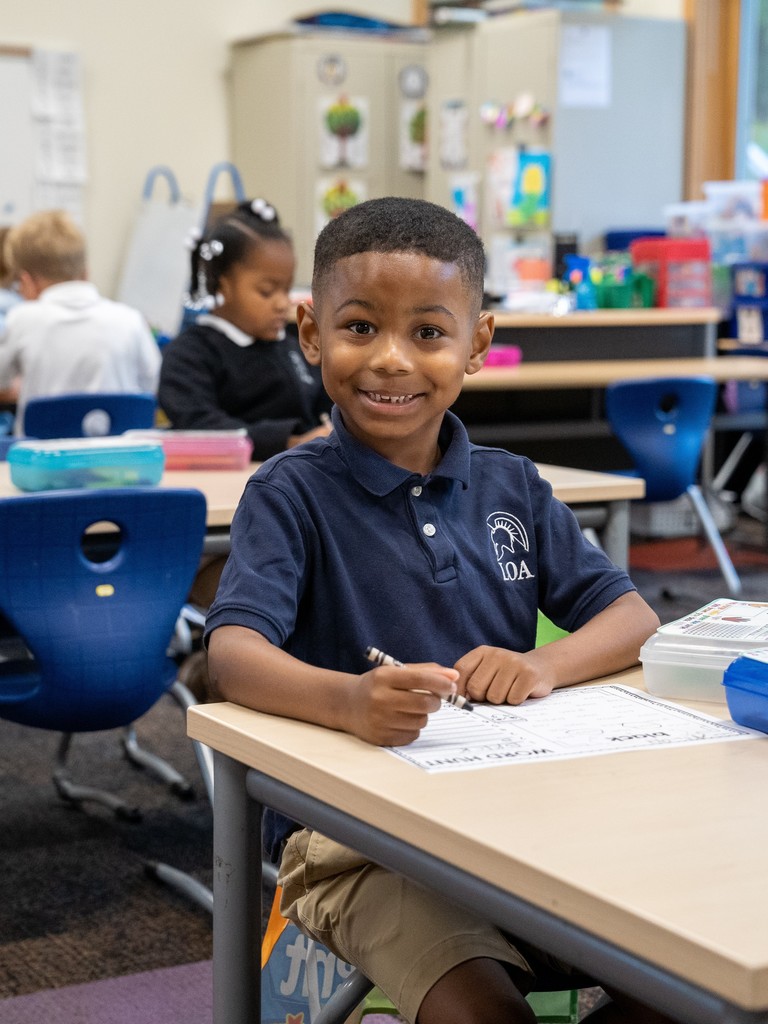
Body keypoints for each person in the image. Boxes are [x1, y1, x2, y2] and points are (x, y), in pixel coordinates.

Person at [205, 197, 669, 1024]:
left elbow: (632, 618)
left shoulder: (512, 487)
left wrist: (541, 664)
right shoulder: (289, 495)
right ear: (311, 335)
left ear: (478, 344)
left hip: (513, 819)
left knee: (695, 985)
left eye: (427, 333)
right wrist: (346, 700)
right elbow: (232, 653)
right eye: (358, 329)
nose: (390, 361)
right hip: (353, 845)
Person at [158, 198, 331, 462]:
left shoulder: (291, 341)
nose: (282, 303)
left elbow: (323, 400)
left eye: (286, 290)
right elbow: (198, 425)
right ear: (222, 285)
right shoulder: (189, 355)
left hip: (305, 470)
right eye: (266, 291)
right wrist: (288, 441)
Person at [0, 210, 161, 433]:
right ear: (85, 272)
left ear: (26, 281)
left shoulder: (22, 319)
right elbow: (150, 388)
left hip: (46, 461)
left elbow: (2, 383)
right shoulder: (131, 320)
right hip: (119, 461)